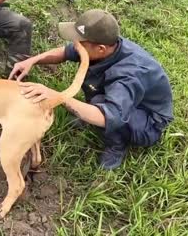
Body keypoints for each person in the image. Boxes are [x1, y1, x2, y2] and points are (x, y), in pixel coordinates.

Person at [9, 9, 174, 170]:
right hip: (126, 98)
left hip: (148, 121)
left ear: (101, 48)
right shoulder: (104, 46)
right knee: (97, 101)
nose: (75, 45)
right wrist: (32, 61)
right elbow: (66, 52)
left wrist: (59, 97)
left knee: (101, 107)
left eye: (80, 43)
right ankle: (88, 113)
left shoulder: (128, 76)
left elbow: (108, 117)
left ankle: (116, 146)